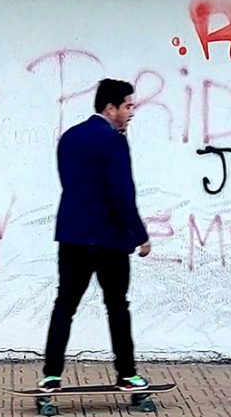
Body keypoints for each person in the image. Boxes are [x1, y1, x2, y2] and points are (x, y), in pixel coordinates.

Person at [39, 78, 151, 392]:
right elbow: (122, 192)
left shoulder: (70, 138)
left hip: (72, 236)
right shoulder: (113, 141)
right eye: (127, 106)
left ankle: (51, 375)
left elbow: (70, 184)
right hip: (108, 239)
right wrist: (140, 234)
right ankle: (127, 374)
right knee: (117, 306)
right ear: (110, 107)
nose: (131, 113)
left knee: (65, 305)